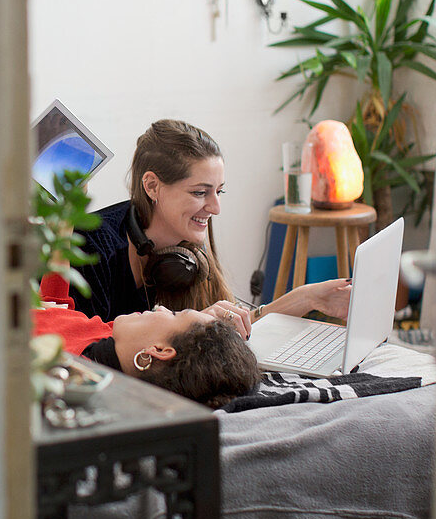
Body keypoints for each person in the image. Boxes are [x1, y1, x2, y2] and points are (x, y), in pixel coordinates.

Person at [69, 119, 352, 336]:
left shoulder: (187, 240)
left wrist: (308, 297)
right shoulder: (90, 245)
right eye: (200, 193)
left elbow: (234, 322)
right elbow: (90, 352)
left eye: (219, 192)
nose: (215, 208)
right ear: (152, 186)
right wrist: (188, 326)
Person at [32, 299, 260, 409]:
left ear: (159, 350)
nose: (160, 307)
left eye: (174, 313)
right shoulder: (112, 336)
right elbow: (57, 306)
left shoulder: (56, 367)